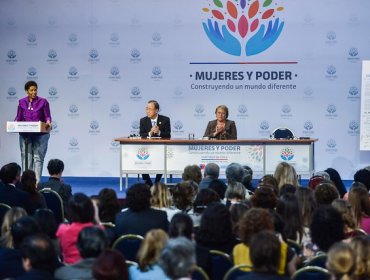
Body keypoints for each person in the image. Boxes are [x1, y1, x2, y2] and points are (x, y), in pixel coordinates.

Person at [15, 80, 52, 182]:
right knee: (26, 157)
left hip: (41, 135)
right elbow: (18, 117)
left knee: (38, 158)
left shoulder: (43, 102)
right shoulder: (22, 102)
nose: (34, 92)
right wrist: (14, 125)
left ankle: (37, 183)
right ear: (27, 91)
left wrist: (48, 122)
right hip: (25, 135)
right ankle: (26, 182)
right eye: (31, 90)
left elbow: (47, 116)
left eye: (35, 90)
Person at [56, 193, 98, 264]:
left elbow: (59, 252)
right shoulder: (98, 230)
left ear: (70, 212)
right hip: (93, 269)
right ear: (91, 210)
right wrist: (96, 217)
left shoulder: (62, 229)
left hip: (68, 270)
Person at [139, 100, 171, 186]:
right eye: (146, 109)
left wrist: (159, 132)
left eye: (150, 109)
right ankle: (148, 183)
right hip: (147, 149)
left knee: (162, 159)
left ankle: (157, 182)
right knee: (141, 160)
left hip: (160, 148)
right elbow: (142, 135)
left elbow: (168, 135)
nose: (147, 111)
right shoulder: (143, 120)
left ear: (156, 110)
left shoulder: (165, 120)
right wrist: (150, 133)